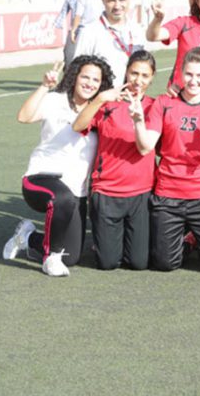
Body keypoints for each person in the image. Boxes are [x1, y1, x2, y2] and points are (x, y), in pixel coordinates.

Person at [2, 55, 114, 277]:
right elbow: (24, 117)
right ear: (74, 77)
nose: (89, 83)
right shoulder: (56, 99)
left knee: (71, 257)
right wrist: (44, 86)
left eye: (95, 80)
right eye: (85, 77)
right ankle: (50, 258)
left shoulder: (101, 110)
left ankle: (28, 236)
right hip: (41, 178)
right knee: (61, 198)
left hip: (76, 191)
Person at [132, 47, 200, 272]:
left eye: (199, 75)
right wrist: (138, 121)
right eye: (189, 74)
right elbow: (146, 147)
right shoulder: (164, 103)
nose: (193, 81)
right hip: (169, 194)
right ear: (181, 73)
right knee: (165, 264)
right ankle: (187, 240)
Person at [72, 50, 158, 270]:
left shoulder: (155, 106)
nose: (138, 80)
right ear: (126, 73)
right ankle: (103, 241)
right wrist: (100, 98)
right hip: (108, 191)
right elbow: (78, 126)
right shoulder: (108, 104)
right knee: (108, 263)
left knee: (138, 263)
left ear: (152, 77)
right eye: (134, 73)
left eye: (145, 75)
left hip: (141, 193)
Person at [73, 0, 146, 88]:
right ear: (102, 0)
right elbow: (76, 72)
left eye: (122, 0)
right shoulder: (89, 32)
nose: (117, 6)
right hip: (101, 102)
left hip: (131, 100)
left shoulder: (138, 30)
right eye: (111, 1)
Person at [55, 0, 99, 66]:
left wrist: (73, 30)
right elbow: (64, 11)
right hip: (89, 29)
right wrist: (58, 24)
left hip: (83, 30)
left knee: (74, 54)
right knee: (71, 53)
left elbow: (78, 16)